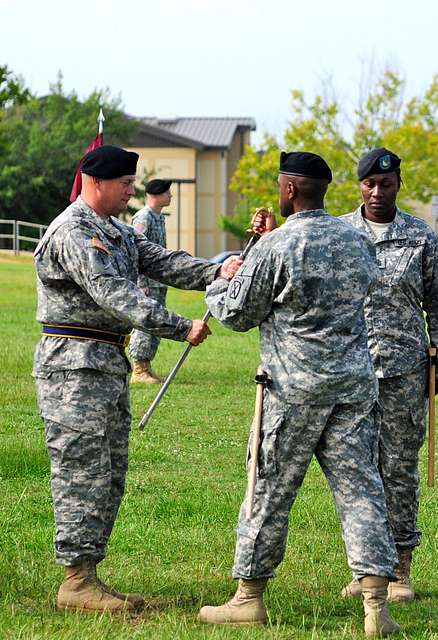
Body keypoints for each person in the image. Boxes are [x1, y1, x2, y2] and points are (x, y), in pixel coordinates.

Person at [199, 151, 401, 637]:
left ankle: (249, 597)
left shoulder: (276, 247)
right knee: (362, 492)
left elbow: (237, 314)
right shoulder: (358, 241)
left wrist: (217, 286)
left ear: (288, 190)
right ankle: (377, 605)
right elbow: (368, 290)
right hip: (353, 386)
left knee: (267, 489)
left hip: (293, 390)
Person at [33, 145, 240, 612]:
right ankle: (75, 581)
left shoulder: (117, 231)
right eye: (125, 183)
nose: (132, 190)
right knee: (80, 470)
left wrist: (216, 270)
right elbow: (114, 295)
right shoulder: (73, 231)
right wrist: (179, 326)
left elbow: (164, 262)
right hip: (74, 367)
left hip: (107, 363)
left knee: (109, 473)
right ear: (96, 182)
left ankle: (89, 577)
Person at [337, 148, 438, 602]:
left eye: (385, 185)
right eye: (368, 184)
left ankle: (400, 569)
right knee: (356, 473)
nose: (376, 192)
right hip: (349, 372)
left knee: (398, 470)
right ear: (359, 186)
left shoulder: (421, 238)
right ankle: (366, 568)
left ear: (398, 185)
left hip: (404, 374)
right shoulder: (341, 233)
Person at [129, 178, 172, 384]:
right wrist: (140, 283)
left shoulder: (158, 217)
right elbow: (134, 250)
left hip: (157, 281)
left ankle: (146, 365)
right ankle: (138, 369)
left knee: (156, 321)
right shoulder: (143, 218)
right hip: (146, 282)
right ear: (156, 194)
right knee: (145, 321)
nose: (170, 195)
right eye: (167, 192)